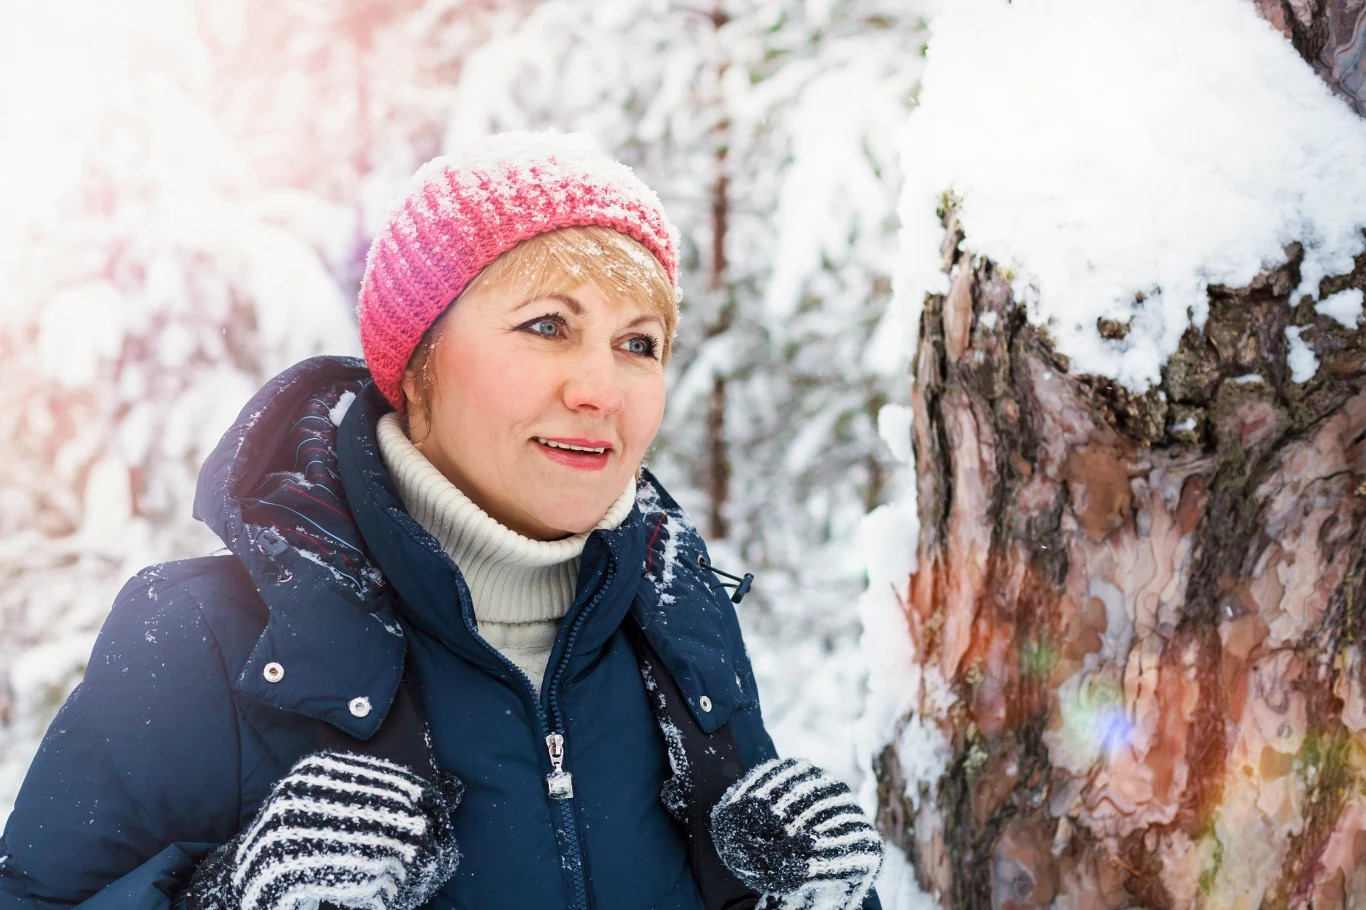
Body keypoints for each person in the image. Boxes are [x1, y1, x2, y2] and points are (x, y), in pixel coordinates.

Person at [0, 132, 882, 910]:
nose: (601, 389)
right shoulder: (202, 638)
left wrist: (805, 900)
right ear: (416, 366)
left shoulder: (679, 624)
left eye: (639, 343)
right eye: (546, 326)